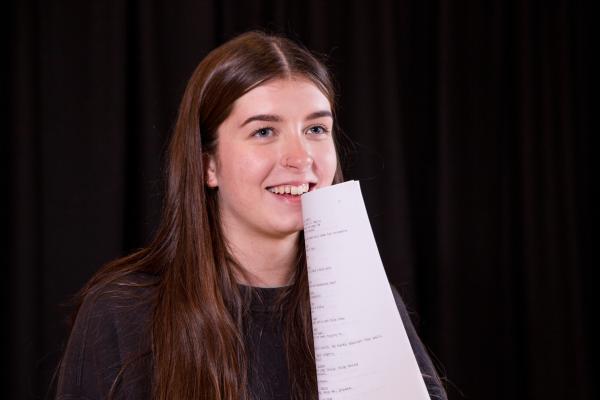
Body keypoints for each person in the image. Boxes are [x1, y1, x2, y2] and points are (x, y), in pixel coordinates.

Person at [55, 31, 447, 400]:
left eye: (315, 128)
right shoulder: (121, 313)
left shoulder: (370, 302)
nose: (300, 158)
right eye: (264, 132)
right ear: (207, 164)